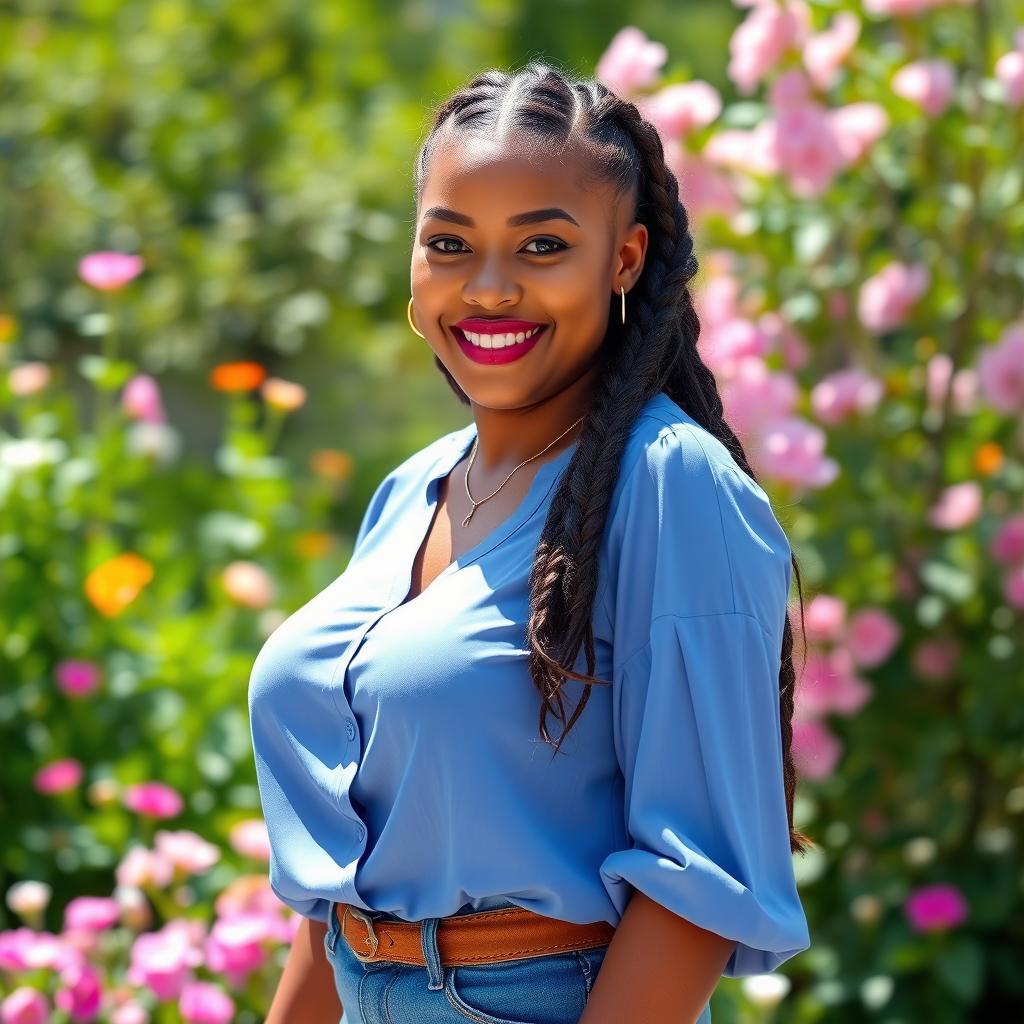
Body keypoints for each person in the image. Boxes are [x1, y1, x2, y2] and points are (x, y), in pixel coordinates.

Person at [247, 61, 813, 1024]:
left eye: (543, 244)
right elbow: (345, 885)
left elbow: (696, 889)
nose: (490, 288)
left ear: (625, 259)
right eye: (450, 243)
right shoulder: (407, 492)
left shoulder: (675, 486)